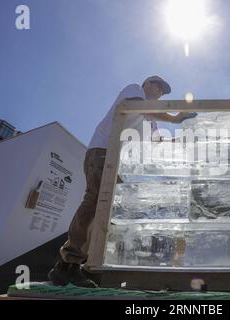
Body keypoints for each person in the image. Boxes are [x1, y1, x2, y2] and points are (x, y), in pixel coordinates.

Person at [48, 75, 195, 287]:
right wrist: (173, 118)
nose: (160, 90)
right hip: (102, 152)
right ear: (146, 84)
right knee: (95, 201)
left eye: (164, 90)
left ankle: (82, 264)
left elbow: (157, 143)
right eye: (158, 85)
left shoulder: (151, 119)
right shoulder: (134, 90)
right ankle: (66, 264)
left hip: (116, 160)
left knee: (108, 212)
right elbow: (135, 106)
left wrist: (181, 140)